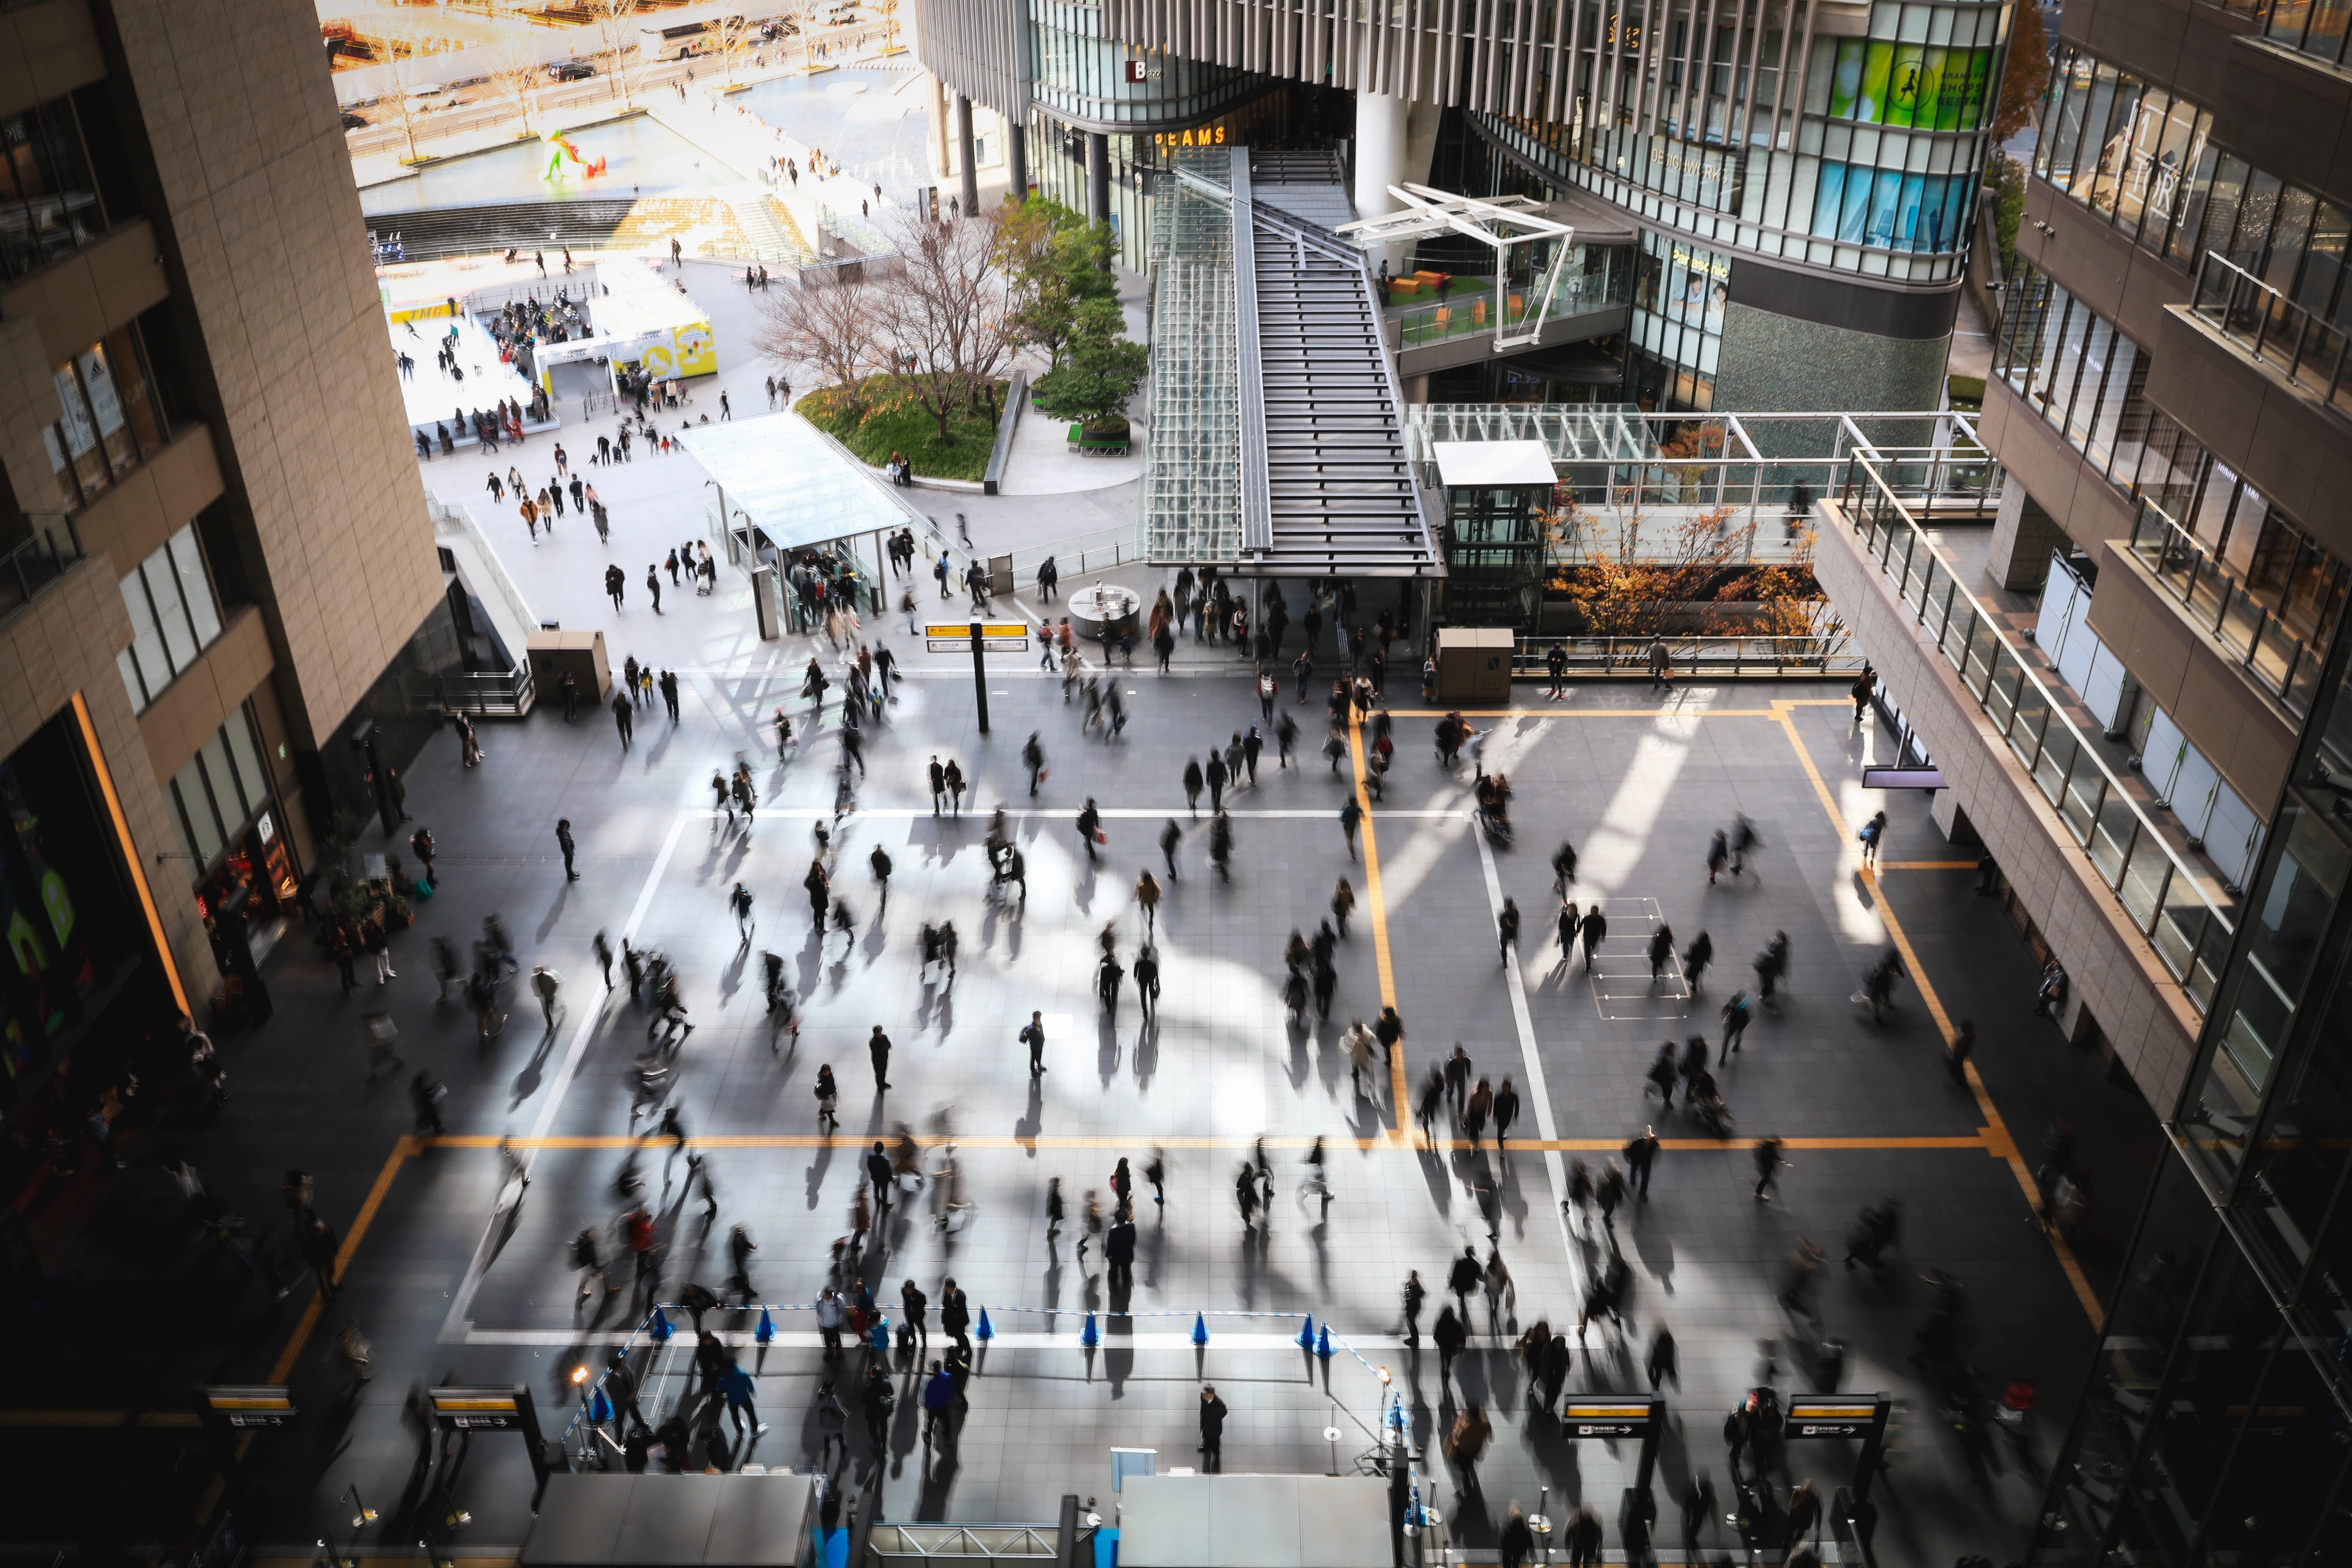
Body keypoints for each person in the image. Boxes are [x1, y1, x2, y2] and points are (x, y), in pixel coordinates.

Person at [1197, 1385, 1227, 1472]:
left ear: (1212, 1394)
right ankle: (1206, 1472)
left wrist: (1215, 1418)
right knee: (1207, 1454)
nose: (1204, 1396)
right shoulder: (1204, 1399)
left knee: (1216, 1454)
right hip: (1207, 1431)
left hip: (1215, 1432)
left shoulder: (1218, 1403)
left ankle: (1216, 1472)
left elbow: (1224, 1412)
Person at [1753, 1135, 1787, 1201]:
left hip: (1765, 1166)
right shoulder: (1769, 1152)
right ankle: (1758, 1193)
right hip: (1766, 1167)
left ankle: (1760, 1190)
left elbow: (1774, 1156)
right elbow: (1773, 1157)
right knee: (1765, 1179)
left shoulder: (1768, 1147)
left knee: (1766, 1178)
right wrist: (1780, 1161)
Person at [1021, 1010, 1047, 1075]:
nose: (1039, 1019)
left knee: (1039, 1056)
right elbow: (1032, 1037)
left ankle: (1039, 1065)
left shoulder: (1040, 1024)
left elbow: (1042, 1032)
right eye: (1038, 1018)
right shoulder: (1032, 1028)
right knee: (1033, 1058)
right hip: (1034, 1046)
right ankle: (1033, 1071)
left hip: (1040, 1045)